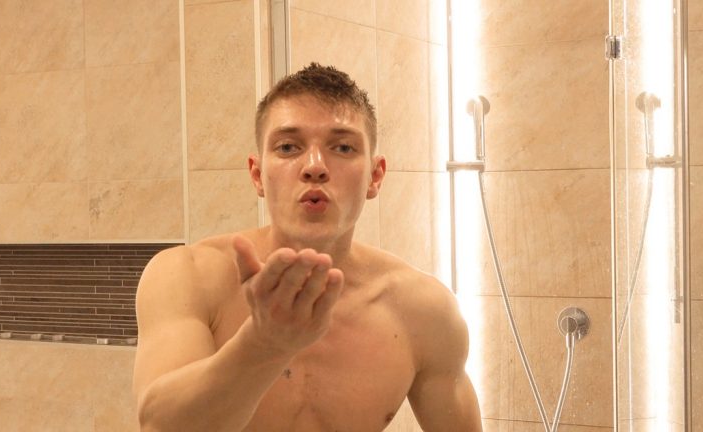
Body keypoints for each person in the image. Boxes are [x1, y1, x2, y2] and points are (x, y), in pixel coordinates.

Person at [132, 62, 482, 432]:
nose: (315, 166)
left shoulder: (423, 311)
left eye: (343, 147)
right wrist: (263, 344)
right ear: (257, 174)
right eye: (288, 147)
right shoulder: (187, 276)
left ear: (375, 176)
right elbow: (158, 426)